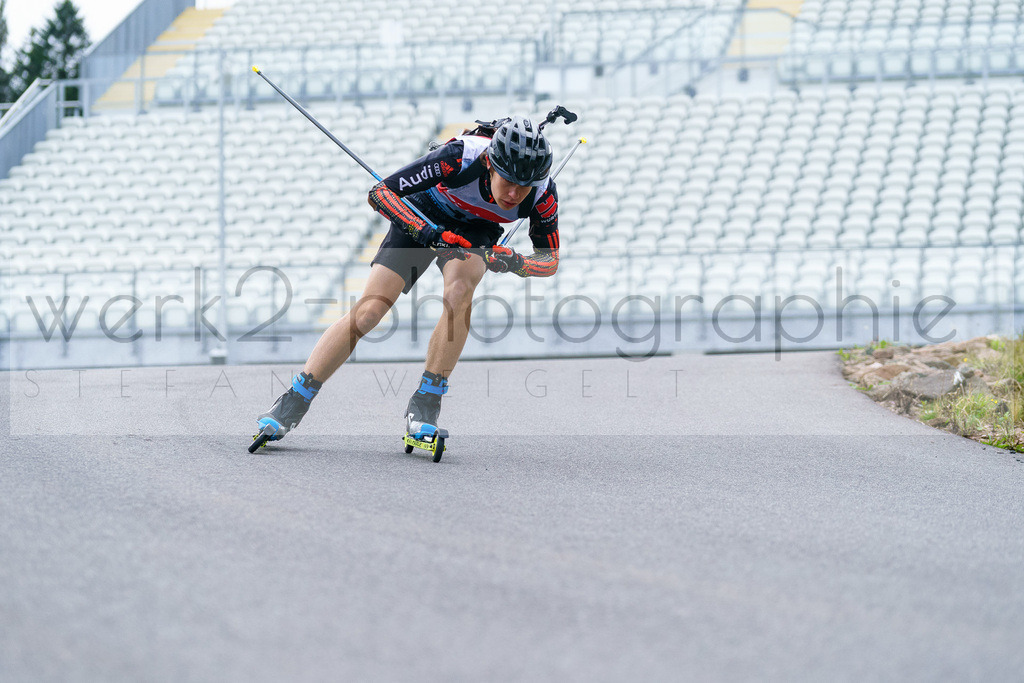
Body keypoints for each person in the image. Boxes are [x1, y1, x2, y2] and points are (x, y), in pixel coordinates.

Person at [253, 114, 561, 446]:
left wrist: (516, 262)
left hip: (474, 233)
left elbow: (550, 260)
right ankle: (295, 399)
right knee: (371, 311)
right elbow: (381, 194)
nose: (514, 194)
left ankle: (426, 402)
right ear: (490, 165)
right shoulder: (460, 156)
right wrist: (429, 233)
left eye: (524, 185)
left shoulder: (543, 195)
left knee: (460, 292)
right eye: (508, 181)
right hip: (422, 213)